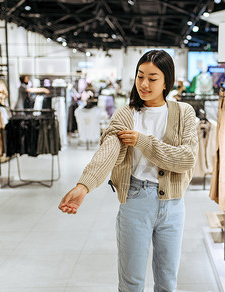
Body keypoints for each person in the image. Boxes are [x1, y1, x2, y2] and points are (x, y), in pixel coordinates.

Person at [58, 50, 198, 292]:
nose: (144, 84)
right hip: (135, 201)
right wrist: (84, 185)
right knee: (131, 282)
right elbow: (108, 152)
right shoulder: (126, 114)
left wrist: (143, 141)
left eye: (153, 78)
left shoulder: (184, 113)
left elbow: (186, 159)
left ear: (167, 81)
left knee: (167, 282)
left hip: (174, 205)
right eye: (140, 76)